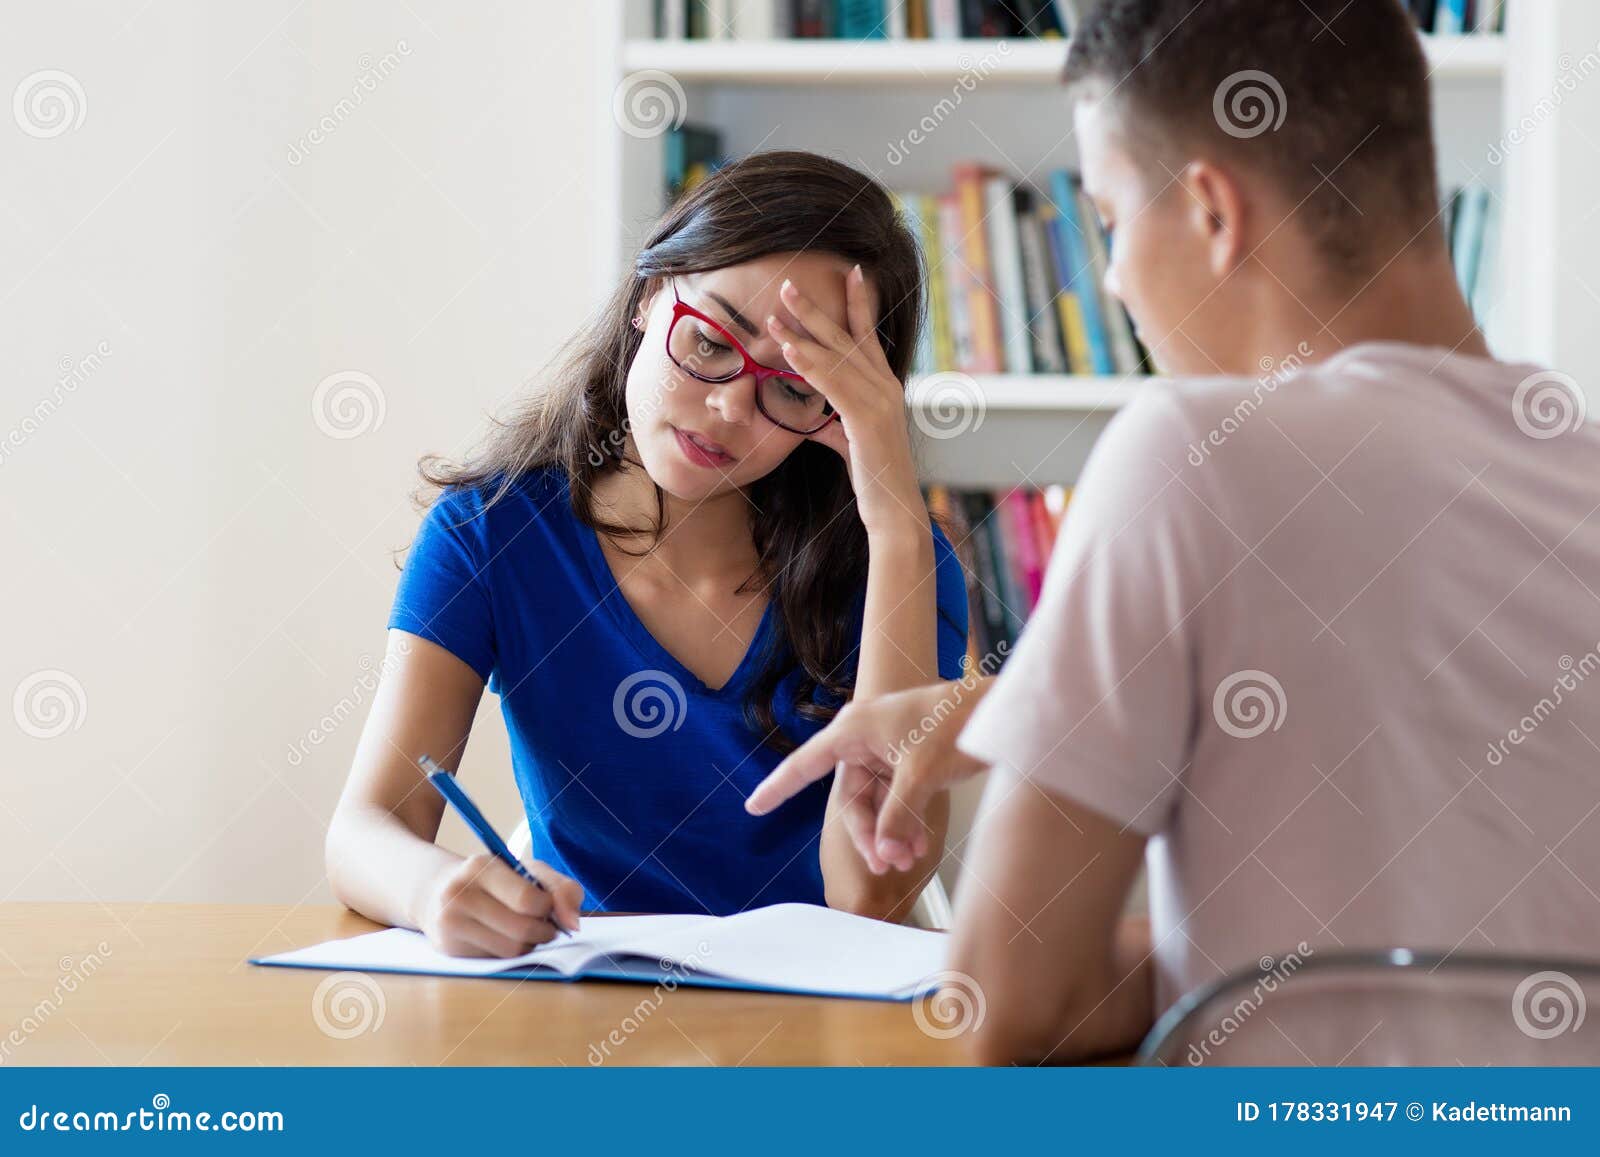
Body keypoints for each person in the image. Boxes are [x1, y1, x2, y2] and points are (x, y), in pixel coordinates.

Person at [748, 0, 1600, 1063]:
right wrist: (1021, 705)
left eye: (1107, 218)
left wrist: (1240, 963)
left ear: (1209, 211)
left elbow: (1006, 1002)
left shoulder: (1192, 451)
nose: (1109, 277)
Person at [326, 151, 969, 958]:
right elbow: (366, 828)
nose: (731, 406)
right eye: (709, 342)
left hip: (813, 1023)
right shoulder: (491, 536)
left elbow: (871, 898)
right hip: (583, 1003)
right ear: (647, 296)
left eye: (797, 387)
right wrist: (431, 889)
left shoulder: (902, 560)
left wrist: (899, 527)